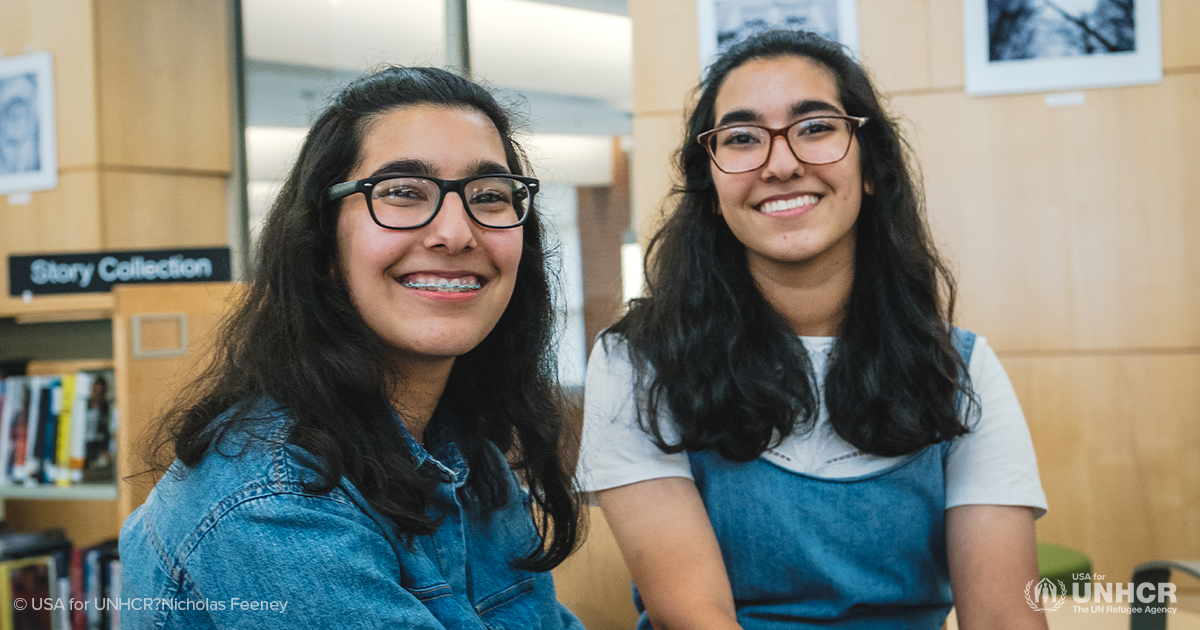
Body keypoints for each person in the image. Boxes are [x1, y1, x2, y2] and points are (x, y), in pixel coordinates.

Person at [578, 30, 1049, 629]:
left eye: (816, 128)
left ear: (871, 166)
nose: (781, 163)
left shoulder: (960, 367)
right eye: (743, 138)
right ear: (713, 188)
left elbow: (1006, 617)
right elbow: (696, 617)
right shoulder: (637, 363)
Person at [120, 66, 584, 629]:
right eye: (403, 193)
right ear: (322, 247)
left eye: (488, 196)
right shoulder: (273, 503)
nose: (457, 233)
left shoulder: (465, 453)